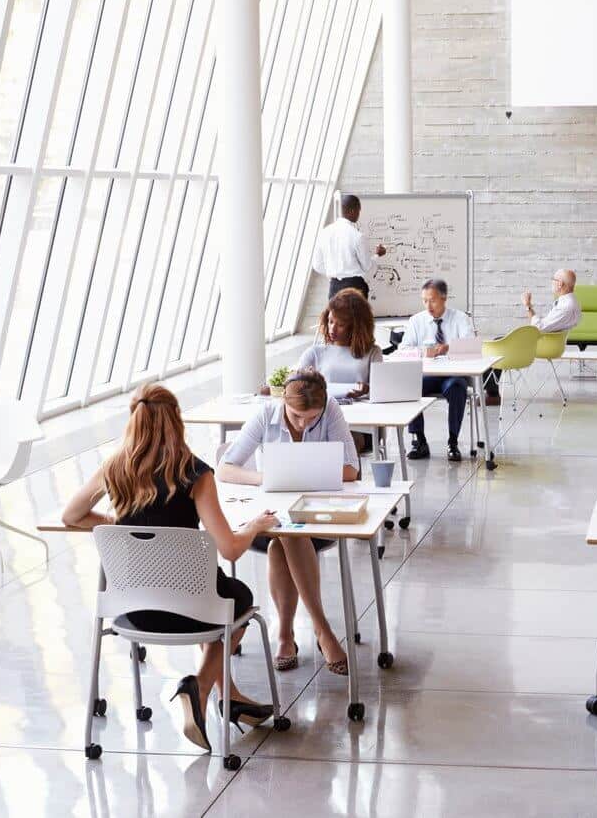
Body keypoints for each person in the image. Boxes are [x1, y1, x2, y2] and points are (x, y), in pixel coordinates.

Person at [61, 384, 279, 753]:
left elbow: (71, 516)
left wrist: (123, 527)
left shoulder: (116, 466)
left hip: (135, 612)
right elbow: (230, 548)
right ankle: (199, 686)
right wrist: (255, 527)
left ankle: (232, 698)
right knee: (237, 598)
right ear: (176, 421)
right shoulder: (194, 472)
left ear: (134, 421)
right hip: (195, 612)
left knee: (216, 599)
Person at [217, 370, 358, 676]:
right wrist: (265, 478)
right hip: (264, 520)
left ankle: (285, 635)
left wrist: (304, 476)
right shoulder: (265, 413)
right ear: (284, 403)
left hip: (316, 520)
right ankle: (324, 632)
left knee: (287, 538)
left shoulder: (331, 409)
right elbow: (225, 470)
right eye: (296, 416)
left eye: (311, 418)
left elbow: (351, 470)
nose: (303, 424)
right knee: (285, 535)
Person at [399, 278, 475, 462]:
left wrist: (449, 348)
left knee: (457, 387)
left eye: (432, 300)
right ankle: (419, 441)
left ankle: (453, 441)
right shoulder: (416, 321)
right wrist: (422, 352)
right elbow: (403, 349)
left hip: (452, 374)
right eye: (424, 300)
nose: (428, 305)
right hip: (427, 375)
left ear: (444, 298)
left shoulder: (460, 318)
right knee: (411, 386)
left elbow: (471, 346)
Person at [483, 268, 583, 404]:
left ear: (560, 284)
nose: (552, 283)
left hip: (545, 345)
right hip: (549, 341)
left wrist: (528, 306)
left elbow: (539, 327)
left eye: (553, 280)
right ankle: (490, 391)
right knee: (500, 340)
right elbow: (545, 326)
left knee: (498, 344)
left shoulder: (566, 306)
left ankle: (489, 391)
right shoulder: (569, 302)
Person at [297, 288, 383, 399]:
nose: (332, 329)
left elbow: (381, 391)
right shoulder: (314, 353)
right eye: (330, 321)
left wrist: (368, 389)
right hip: (324, 410)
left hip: (364, 410)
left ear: (356, 328)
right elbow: (295, 387)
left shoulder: (373, 352)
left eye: (341, 325)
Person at [311, 194, 386, 299]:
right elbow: (367, 266)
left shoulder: (324, 233)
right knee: (356, 315)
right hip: (354, 288)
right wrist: (377, 255)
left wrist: (335, 275)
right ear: (352, 211)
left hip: (334, 289)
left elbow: (317, 265)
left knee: (336, 316)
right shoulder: (357, 236)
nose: (358, 214)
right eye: (358, 210)